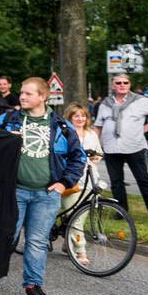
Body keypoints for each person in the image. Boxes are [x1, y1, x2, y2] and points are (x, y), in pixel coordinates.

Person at [0, 79, 86, 295]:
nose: (22, 97)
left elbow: (78, 158)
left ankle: (33, 285)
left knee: (37, 241)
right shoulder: (8, 120)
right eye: (21, 93)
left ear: (43, 96)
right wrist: (4, 142)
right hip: (15, 191)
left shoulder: (61, 126)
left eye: (28, 94)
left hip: (46, 194)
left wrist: (64, 183)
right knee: (6, 236)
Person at [94, 73, 148, 226]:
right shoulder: (105, 104)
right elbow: (98, 126)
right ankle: (121, 212)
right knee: (116, 183)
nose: (122, 85)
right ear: (113, 86)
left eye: (125, 82)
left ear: (129, 85)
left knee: (144, 181)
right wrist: (93, 143)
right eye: (118, 83)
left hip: (134, 147)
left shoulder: (140, 101)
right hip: (111, 148)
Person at [61, 104, 104, 264]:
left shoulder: (91, 133)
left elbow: (99, 153)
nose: (80, 119)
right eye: (76, 116)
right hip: (72, 180)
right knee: (75, 217)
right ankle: (81, 251)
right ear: (70, 118)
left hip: (90, 179)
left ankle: (68, 242)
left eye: (83, 116)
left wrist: (94, 157)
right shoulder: (66, 133)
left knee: (81, 216)